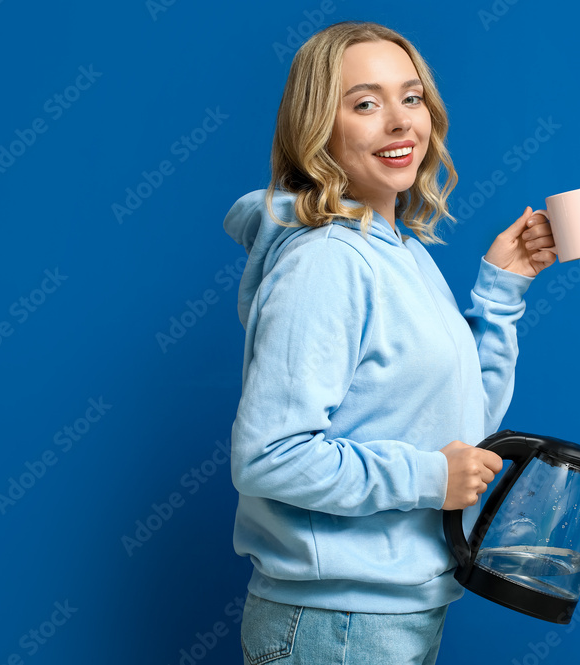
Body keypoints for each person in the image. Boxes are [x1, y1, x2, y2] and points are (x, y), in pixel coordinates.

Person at [222, 20, 557, 665]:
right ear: (318, 128)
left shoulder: (402, 253)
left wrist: (499, 293)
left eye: (412, 97)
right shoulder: (327, 262)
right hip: (334, 622)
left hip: (392, 612)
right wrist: (432, 476)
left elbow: (465, 430)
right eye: (366, 103)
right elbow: (269, 457)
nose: (401, 121)